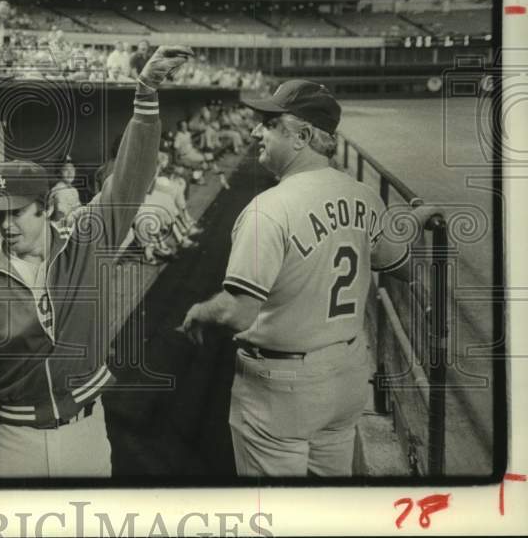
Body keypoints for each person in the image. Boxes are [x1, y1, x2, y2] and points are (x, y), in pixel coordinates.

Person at [0, 46, 193, 478]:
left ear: (46, 209)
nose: (5, 225)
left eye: (16, 213)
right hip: (14, 440)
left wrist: (145, 95)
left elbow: (130, 180)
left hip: (86, 432)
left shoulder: (84, 239)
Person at [181, 80, 438, 477]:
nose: (255, 131)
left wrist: (200, 311)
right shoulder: (363, 196)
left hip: (282, 389)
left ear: (302, 136)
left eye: (268, 124)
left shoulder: (267, 210)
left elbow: (237, 313)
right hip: (348, 375)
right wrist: (412, 221)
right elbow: (400, 265)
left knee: (274, 517)